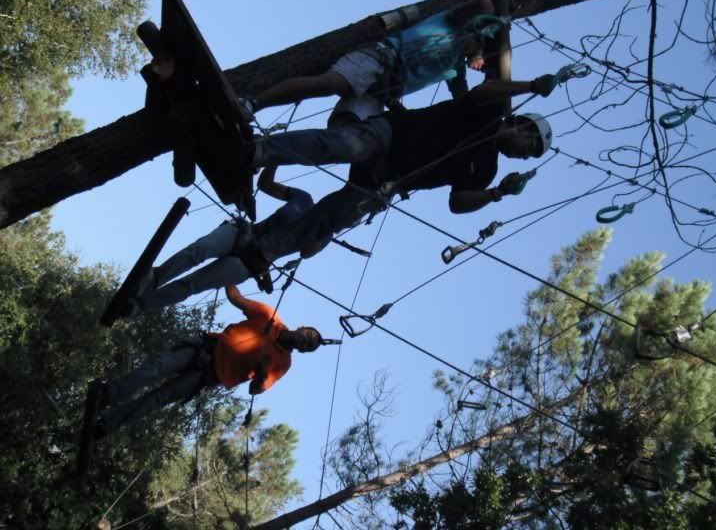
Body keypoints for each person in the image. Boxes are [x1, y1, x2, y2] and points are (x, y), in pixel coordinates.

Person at [245, 74, 559, 251]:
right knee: (348, 145)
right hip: (391, 134)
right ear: (520, 124)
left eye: (530, 155)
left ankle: (265, 249)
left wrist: (496, 194)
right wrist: (530, 86)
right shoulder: (489, 113)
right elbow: (484, 91)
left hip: (388, 179)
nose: (524, 154)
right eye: (529, 145)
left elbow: (457, 202)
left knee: (335, 218)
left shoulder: (488, 169)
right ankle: (260, 151)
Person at [84, 286, 333, 440]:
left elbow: (256, 389)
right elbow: (237, 298)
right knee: (156, 367)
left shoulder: (283, 363)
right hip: (205, 348)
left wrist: (262, 372)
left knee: (158, 399)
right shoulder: (270, 315)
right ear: (302, 327)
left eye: (309, 345)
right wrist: (231, 272)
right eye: (309, 335)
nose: (306, 340)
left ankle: (106, 426)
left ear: (303, 351)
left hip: (210, 375)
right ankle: (108, 393)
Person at [242, 0, 497, 126]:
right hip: (382, 58)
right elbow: (484, 1)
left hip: (382, 92)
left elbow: (464, 101)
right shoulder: (452, 21)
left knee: (346, 136)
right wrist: (477, 51)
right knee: (330, 84)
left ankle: (269, 151)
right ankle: (253, 103)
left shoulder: (455, 70)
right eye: (481, 43)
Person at [120, 168, 332, 317]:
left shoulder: (327, 230)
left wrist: (326, 229)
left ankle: (138, 306)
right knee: (199, 249)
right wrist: (275, 158)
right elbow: (265, 184)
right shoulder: (304, 200)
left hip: (254, 260)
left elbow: (306, 253)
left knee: (191, 285)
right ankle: (152, 279)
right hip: (244, 233)